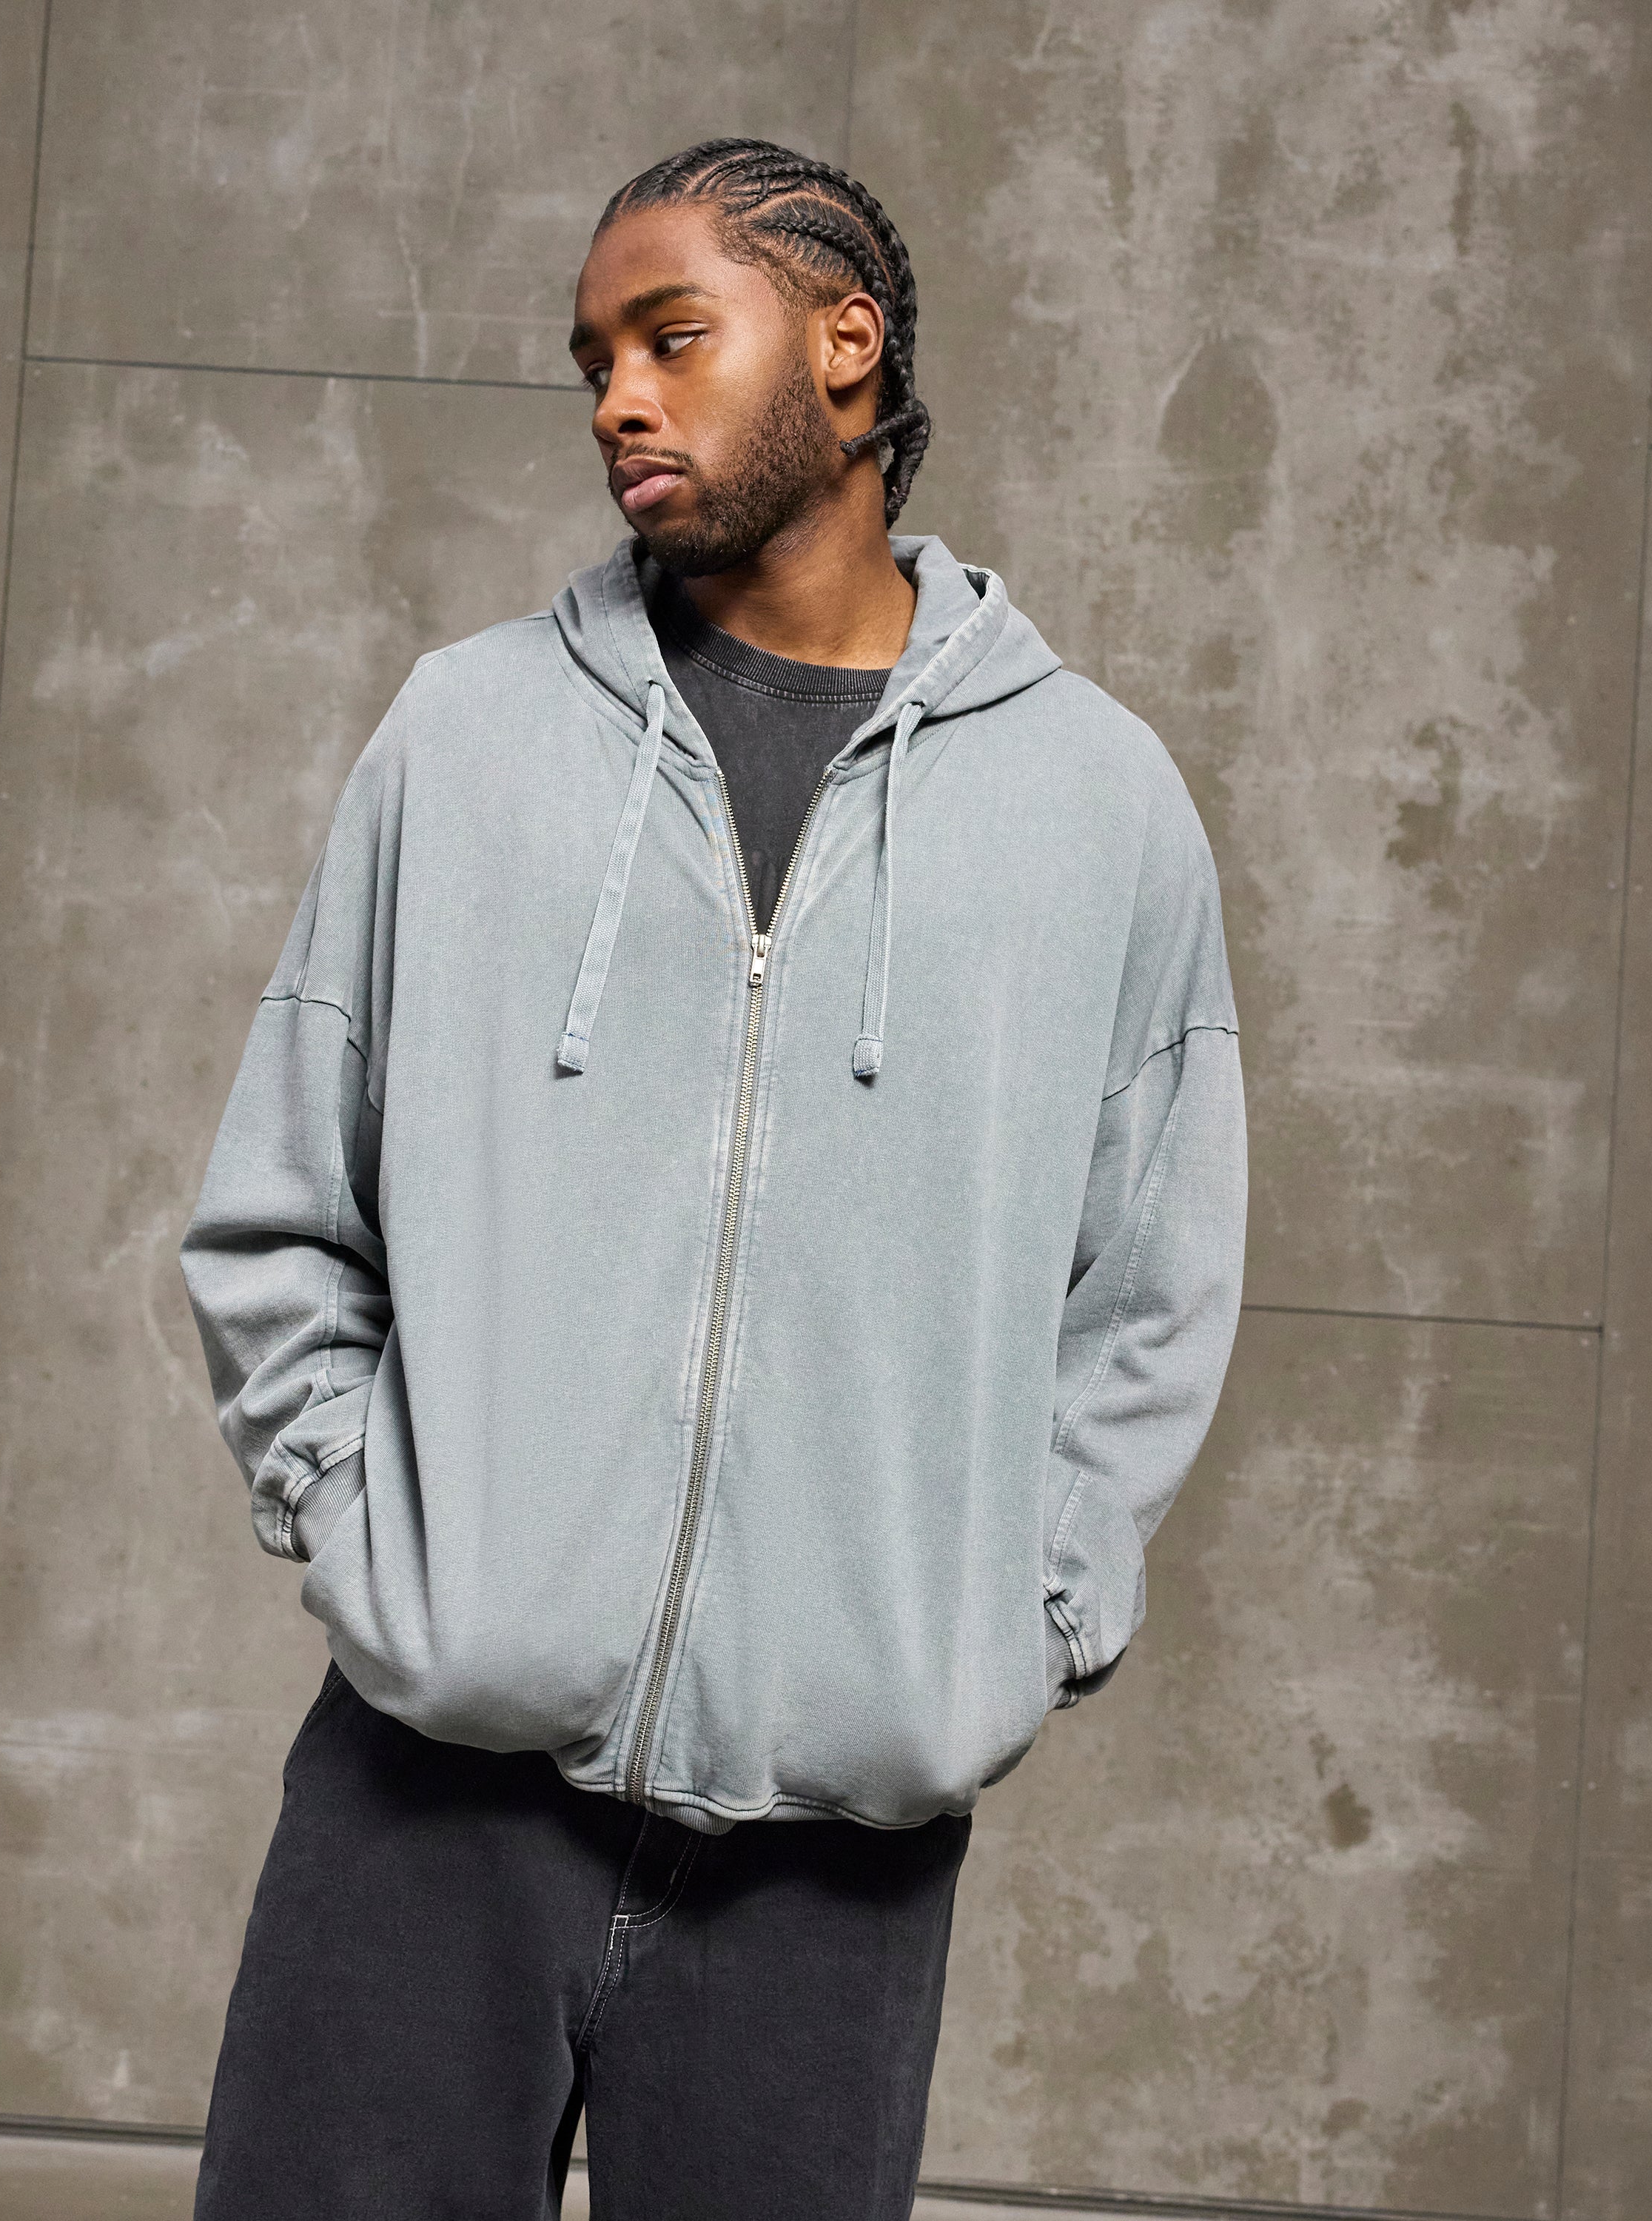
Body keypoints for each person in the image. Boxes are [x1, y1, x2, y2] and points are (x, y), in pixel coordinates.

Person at [179, 138, 1246, 2221]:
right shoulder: (467, 736)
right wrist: (377, 1539)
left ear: (846, 346)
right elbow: (283, 1198)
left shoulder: (1098, 803)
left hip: (834, 1855)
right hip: (428, 1796)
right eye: (595, 359)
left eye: (673, 337)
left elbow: (1150, 1288)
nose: (620, 399)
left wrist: (1004, 1627)